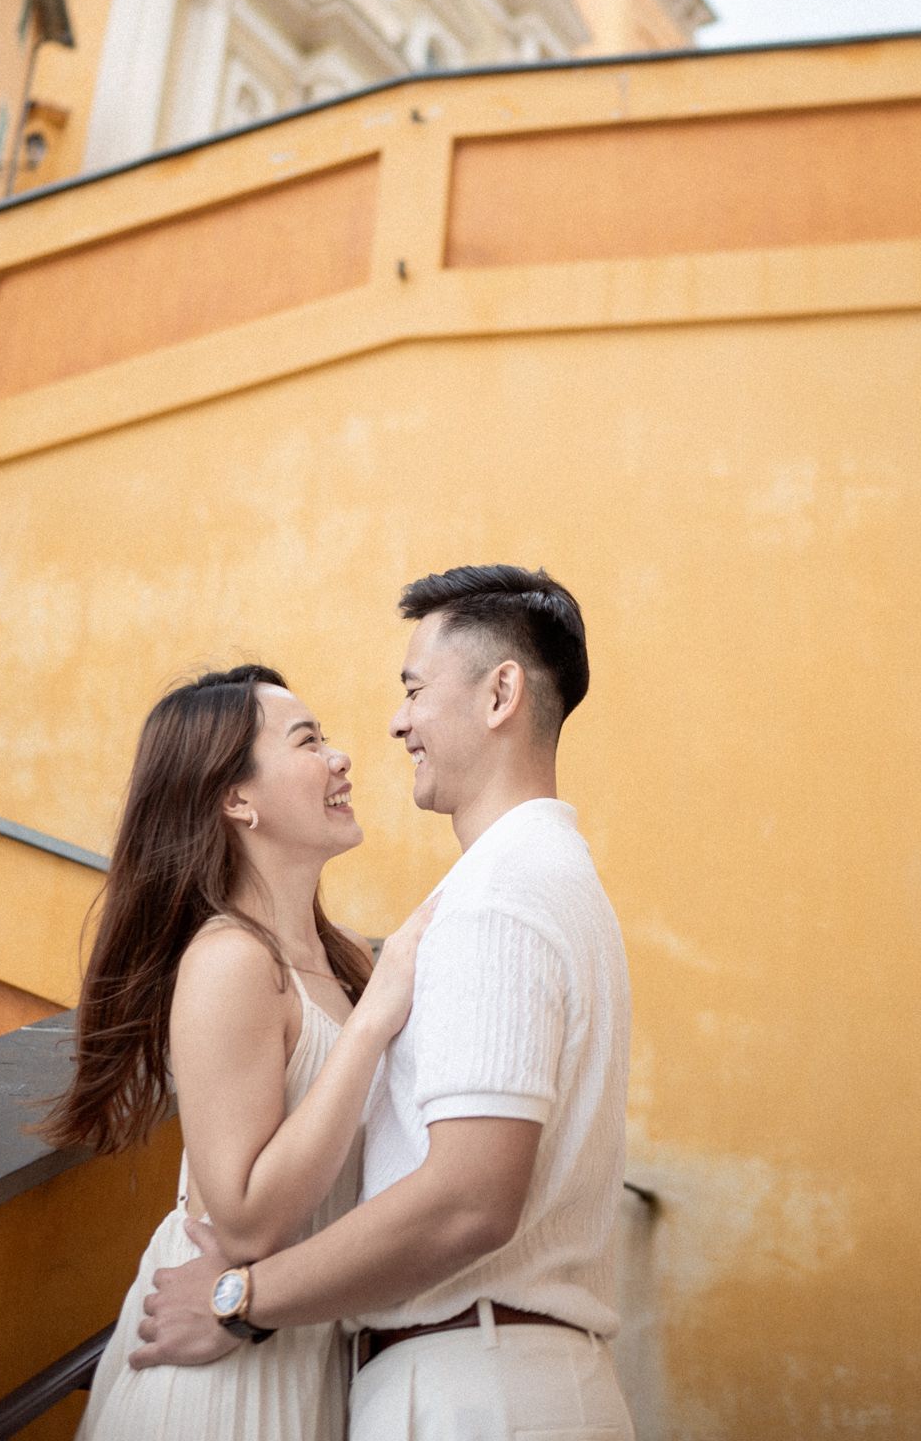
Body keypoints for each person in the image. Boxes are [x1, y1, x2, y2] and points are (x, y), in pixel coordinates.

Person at [133, 565, 635, 1441]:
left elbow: (468, 1198)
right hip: (415, 1372)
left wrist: (239, 1299)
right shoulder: (531, 882)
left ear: (499, 695)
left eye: (413, 690)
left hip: (468, 1387)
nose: (392, 726)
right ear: (234, 800)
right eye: (307, 741)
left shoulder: (493, 900)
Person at [41, 664, 434, 1441]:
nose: (339, 758)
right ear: (236, 800)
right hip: (221, 1382)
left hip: (292, 1343)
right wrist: (372, 1022)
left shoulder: (342, 958)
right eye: (307, 742)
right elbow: (246, 1219)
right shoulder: (230, 961)